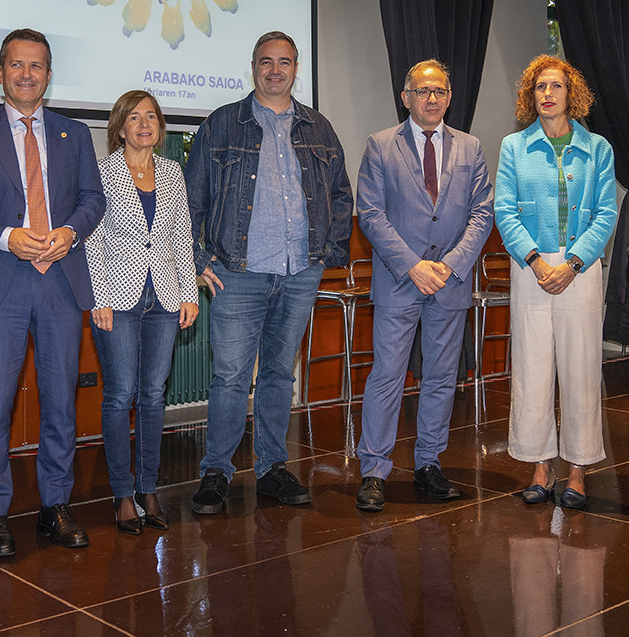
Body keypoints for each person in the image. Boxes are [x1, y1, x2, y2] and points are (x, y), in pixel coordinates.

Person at [186, 31, 353, 515]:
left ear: (296, 68)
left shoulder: (319, 128)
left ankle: (272, 468)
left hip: (299, 271)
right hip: (237, 272)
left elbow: (340, 195)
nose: (275, 70)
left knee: (279, 373)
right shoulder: (222, 124)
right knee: (230, 377)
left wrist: (326, 253)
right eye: (266, 62)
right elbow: (191, 199)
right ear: (253, 66)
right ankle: (216, 471)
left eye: (284, 62)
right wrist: (199, 259)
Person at [0, 28, 105, 555]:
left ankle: (55, 507)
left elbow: (93, 199)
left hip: (60, 282)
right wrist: (8, 237)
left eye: (37, 65)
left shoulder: (75, 133)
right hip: (1, 282)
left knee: (60, 403)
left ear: (48, 74)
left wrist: (69, 232)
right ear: (1, 72)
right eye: (17, 65)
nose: (27, 74)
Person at [354, 59, 494, 511]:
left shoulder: (471, 147)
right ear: (406, 97)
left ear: (449, 98)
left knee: (441, 378)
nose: (431, 99)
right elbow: (370, 213)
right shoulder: (380, 145)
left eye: (439, 91)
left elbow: (482, 212)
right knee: (387, 376)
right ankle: (374, 470)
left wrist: (450, 266)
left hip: (449, 282)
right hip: (400, 280)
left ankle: (429, 464)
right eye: (422, 91)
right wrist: (413, 265)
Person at [494, 55, 617, 509]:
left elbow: (607, 212)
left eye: (556, 86)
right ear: (531, 96)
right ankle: (540, 465)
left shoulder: (598, 148)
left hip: (579, 269)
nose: (547, 94)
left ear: (571, 93)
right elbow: (503, 209)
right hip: (530, 267)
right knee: (532, 368)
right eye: (540, 87)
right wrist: (534, 259)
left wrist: (574, 262)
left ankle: (578, 470)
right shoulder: (513, 146)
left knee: (581, 369)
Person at [85, 90, 200, 533]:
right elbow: (92, 240)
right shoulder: (103, 172)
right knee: (120, 395)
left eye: (151, 116)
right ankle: (122, 493)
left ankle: (148, 488)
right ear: (120, 128)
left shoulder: (172, 173)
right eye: (134, 117)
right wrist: (99, 298)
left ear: (160, 127)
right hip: (117, 298)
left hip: (165, 299)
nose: (144, 124)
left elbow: (180, 237)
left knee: (153, 394)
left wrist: (189, 293)